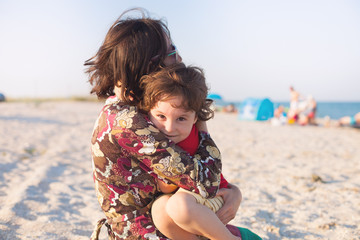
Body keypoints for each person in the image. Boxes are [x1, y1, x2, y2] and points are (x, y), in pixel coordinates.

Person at [85, 8, 255, 240]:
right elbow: (204, 180)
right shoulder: (126, 122)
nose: (180, 59)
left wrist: (234, 191)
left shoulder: (132, 108)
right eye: (172, 52)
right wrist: (201, 123)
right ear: (150, 63)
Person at [139, 63, 260, 240]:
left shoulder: (186, 142)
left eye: (181, 118)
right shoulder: (173, 134)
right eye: (161, 116)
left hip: (214, 195)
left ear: (195, 118)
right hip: (192, 202)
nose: (169, 128)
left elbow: (166, 185)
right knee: (160, 210)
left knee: (178, 206)